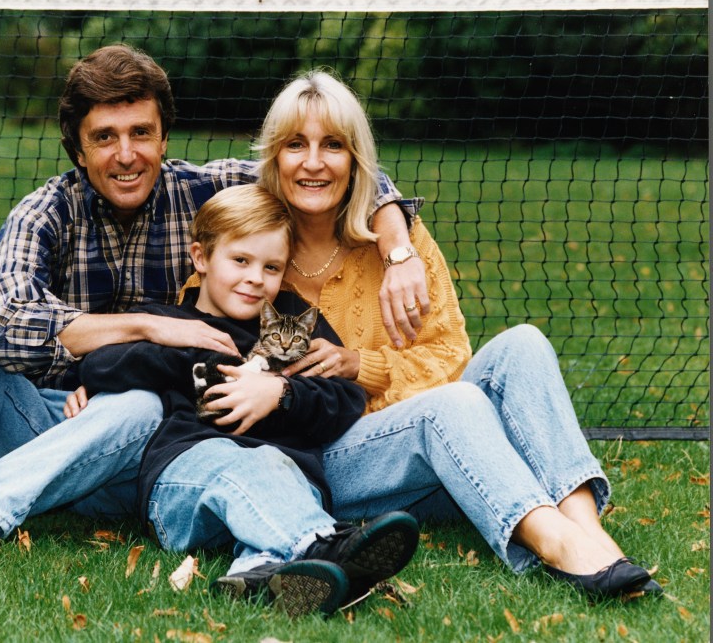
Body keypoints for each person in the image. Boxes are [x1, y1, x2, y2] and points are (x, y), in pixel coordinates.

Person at [0, 45, 422, 570]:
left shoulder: (205, 190)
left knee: (137, 404)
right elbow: (9, 326)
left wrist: (398, 248)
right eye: (105, 138)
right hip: (49, 417)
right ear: (77, 148)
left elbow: (317, 170)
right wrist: (148, 324)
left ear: (162, 136)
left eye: (141, 134)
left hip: (145, 438)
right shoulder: (45, 212)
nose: (127, 155)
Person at [183, 69, 660, 600]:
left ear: (357, 160)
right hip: (329, 457)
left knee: (521, 343)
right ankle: (561, 550)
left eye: (333, 146)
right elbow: (201, 335)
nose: (313, 162)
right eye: (296, 144)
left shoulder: (398, 243)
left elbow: (452, 356)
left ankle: (593, 536)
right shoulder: (250, 255)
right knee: (451, 405)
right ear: (274, 158)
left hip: (440, 440)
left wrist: (360, 363)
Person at [75, 184, 419, 617]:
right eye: (241, 260)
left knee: (273, 467)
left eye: (272, 267)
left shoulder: (293, 324)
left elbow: (344, 398)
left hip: (284, 486)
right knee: (250, 462)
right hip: (187, 487)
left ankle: (259, 577)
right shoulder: (172, 325)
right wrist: (190, 355)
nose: (256, 277)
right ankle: (328, 544)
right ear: (201, 258)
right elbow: (97, 366)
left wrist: (283, 394)